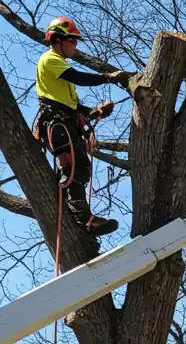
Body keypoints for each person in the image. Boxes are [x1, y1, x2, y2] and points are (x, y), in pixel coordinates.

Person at [33, 16, 129, 236]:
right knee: (75, 170)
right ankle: (84, 220)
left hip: (64, 121)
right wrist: (108, 77)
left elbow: (72, 105)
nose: (75, 46)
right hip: (58, 124)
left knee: (80, 167)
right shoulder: (51, 59)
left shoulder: (58, 66)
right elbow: (78, 78)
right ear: (58, 40)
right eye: (72, 41)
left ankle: (81, 215)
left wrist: (94, 113)